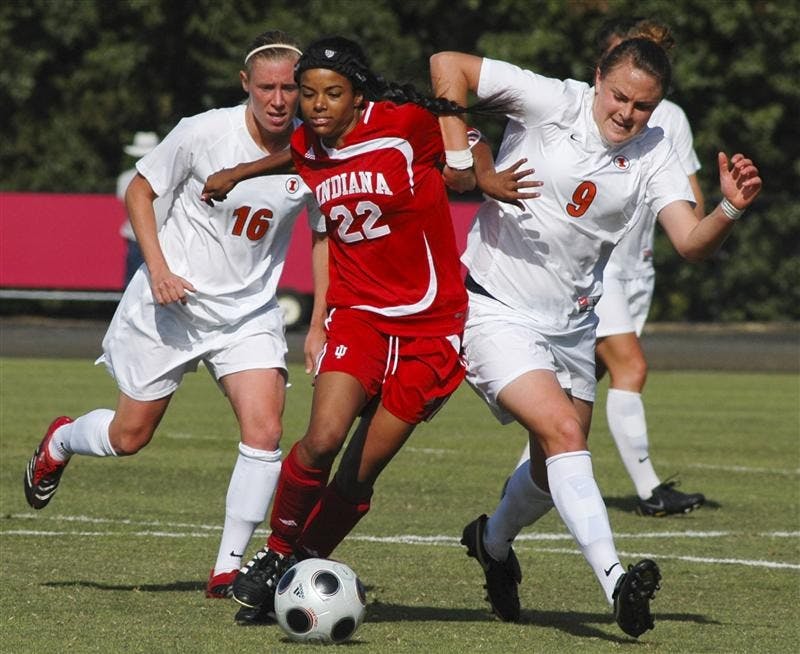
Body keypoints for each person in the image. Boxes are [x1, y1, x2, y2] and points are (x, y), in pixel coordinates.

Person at [430, 36, 761, 638]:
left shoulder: (656, 147)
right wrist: (459, 156)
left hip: (573, 323)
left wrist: (729, 210)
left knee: (553, 461)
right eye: (618, 97)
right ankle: (616, 583)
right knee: (562, 433)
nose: (626, 114)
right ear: (596, 79)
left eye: (643, 105)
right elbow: (447, 65)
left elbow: (690, 242)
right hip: (494, 307)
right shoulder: (551, 100)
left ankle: (493, 543)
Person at [201, 35, 497, 626]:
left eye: (331, 93)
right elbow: (298, 156)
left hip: (432, 326)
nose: (316, 105)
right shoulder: (310, 142)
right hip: (358, 315)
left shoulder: (406, 124)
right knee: (320, 439)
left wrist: (481, 175)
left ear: (358, 96)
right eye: (307, 93)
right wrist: (240, 171)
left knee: (360, 472)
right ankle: (275, 558)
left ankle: (301, 566)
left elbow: (468, 134)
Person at [23, 30, 325, 600]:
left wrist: (317, 322)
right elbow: (140, 192)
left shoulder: (317, 149)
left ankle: (228, 570)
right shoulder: (203, 132)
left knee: (265, 433)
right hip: (173, 304)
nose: (280, 100)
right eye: (268, 87)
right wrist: (158, 269)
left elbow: (322, 237)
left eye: (292, 88)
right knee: (128, 436)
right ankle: (61, 442)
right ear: (246, 85)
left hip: (248, 314)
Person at [513, 19, 708, 517]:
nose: (627, 108)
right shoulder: (572, 106)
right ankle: (650, 491)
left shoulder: (670, 122)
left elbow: (691, 204)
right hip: (601, 270)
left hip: (639, 266)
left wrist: (717, 215)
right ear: (602, 71)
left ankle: (533, 479)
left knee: (572, 398)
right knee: (631, 367)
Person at [117, 132, 171, 286]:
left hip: (140, 238)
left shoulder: (125, 179)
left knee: (134, 284)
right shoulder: (170, 176)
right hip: (159, 238)